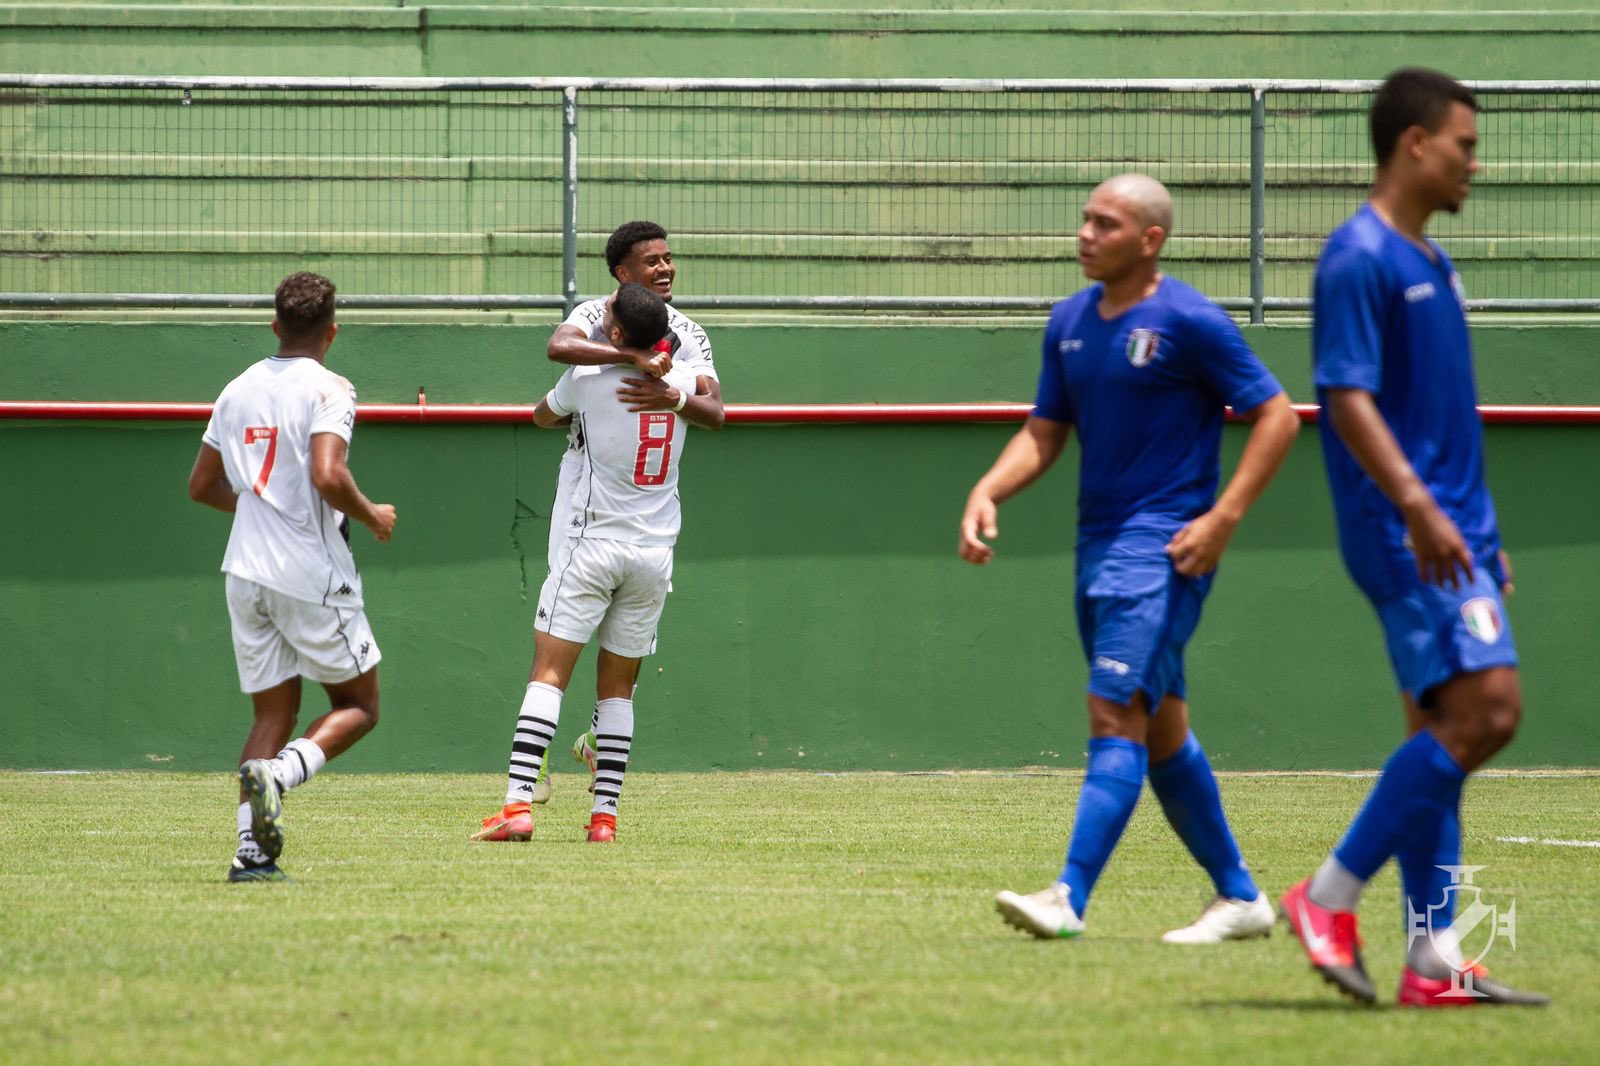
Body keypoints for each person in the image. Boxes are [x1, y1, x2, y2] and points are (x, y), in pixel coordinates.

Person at [959, 174, 1300, 943]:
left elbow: (1277, 416)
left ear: (1151, 239)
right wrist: (988, 489)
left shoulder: (1190, 320)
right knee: (1163, 729)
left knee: (1114, 712)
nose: (1086, 234)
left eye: (1105, 223)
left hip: (1163, 548)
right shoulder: (1070, 321)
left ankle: (1067, 896)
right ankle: (1241, 898)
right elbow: (1045, 429)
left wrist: (1223, 518)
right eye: (1085, 219)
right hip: (1098, 547)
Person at [1281, 68, 1548, 1007]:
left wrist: (1478, 529)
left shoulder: (1431, 260)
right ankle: (1326, 895)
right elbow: (1345, 398)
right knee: (1490, 713)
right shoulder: (1357, 257)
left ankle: (1433, 958)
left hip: (1451, 530)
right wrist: (1422, 512)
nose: (1476, 163)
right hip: (1406, 533)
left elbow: (1441, 416)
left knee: (1442, 734)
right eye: (1465, 145)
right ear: (1416, 144)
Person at [186, 271, 396, 883]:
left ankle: (250, 856)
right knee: (358, 706)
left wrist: (262, 507)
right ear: (333, 331)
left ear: (275, 325)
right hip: (310, 572)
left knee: (270, 717)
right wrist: (372, 514)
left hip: (244, 574)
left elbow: (201, 486)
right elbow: (328, 475)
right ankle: (278, 775)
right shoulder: (331, 388)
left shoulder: (235, 390)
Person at [473, 282, 700, 844]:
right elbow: (712, 407)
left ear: (616, 333)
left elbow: (541, 415)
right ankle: (604, 820)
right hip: (654, 554)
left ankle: (518, 805)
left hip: (592, 542)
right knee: (617, 690)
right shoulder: (684, 382)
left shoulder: (588, 378)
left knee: (549, 673)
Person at [531, 220, 725, 803]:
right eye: (652, 261)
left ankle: (594, 740)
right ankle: (538, 763)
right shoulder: (596, 312)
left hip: (646, 502)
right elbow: (559, 346)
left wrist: (674, 395)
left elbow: (714, 408)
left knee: (624, 643)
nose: (666, 268)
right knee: (562, 631)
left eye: (668, 258)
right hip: (584, 491)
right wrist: (633, 356)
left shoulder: (687, 332)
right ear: (622, 273)